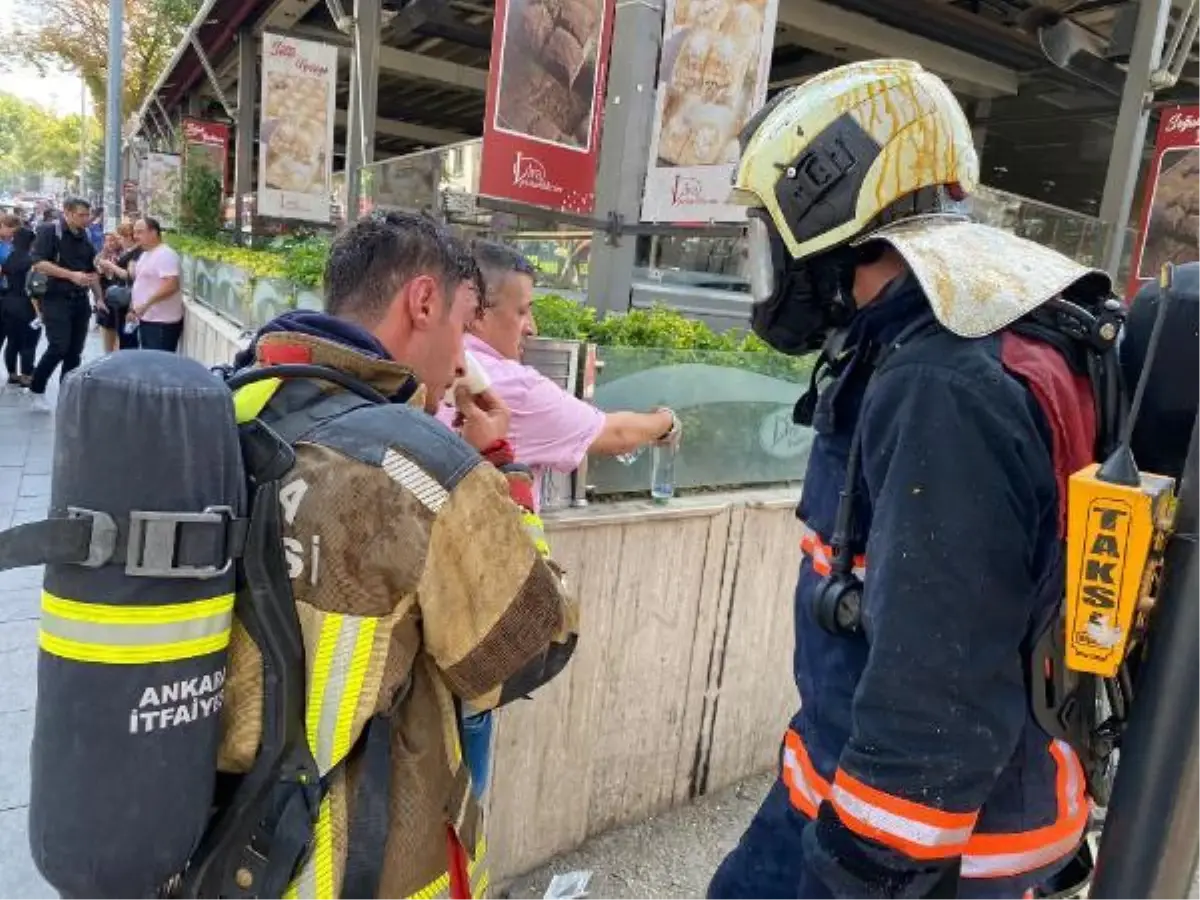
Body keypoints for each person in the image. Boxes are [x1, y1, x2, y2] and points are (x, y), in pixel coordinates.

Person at [707, 60, 1109, 900]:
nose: (768, 259)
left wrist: (870, 874)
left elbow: (938, 682)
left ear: (826, 199)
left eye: (768, 228)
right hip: (917, 801)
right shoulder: (984, 335)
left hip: (918, 844)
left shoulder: (943, 380)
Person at [219, 211, 578, 897]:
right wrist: (500, 467)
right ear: (422, 302)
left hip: (215, 852)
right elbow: (537, 642)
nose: (465, 351)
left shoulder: (237, 401)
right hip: (348, 865)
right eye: (466, 321)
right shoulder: (420, 469)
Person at [438, 239, 681, 512]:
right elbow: (617, 434)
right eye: (521, 311)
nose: (532, 327)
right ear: (478, 312)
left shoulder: (430, 362)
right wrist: (667, 422)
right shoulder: (516, 388)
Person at [29, 198, 98, 412]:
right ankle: (37, 389)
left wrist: (100, 298)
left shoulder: (84, 236)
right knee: (59, 346)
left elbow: (90, 270)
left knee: (74, 352)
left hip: (80, 300)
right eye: (81, 215)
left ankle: (67, 395)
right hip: (56, 299)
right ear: (67, 212)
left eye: (88, 215)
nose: (86, 219)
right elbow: (38, 262)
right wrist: (71, 276)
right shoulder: (50, 231)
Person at [126, 217, 184, 352]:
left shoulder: (165, 254)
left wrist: (146, 304)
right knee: (149, 364)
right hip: (146, 319)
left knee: (159, 367)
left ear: (153, 233)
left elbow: (171, 285)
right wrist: (132, 309)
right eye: (134, 233)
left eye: (140, 232)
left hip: (161, 323)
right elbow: (140, 284)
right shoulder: (145, 255)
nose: (136, 236)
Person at [0, 214, 39, 387]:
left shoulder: (8, 258)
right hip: (26, 304)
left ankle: (12, 373)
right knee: (29, 341)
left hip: (8, 302)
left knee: (12, 341)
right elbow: (33, 288)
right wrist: (39, 310)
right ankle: (26, 375)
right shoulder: (32, 261)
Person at [94, 223, 141, 351]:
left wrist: (110, 266)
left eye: (120, 237)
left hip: (128, 300)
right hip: (119, 299)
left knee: (127, 339)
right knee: (121, 335)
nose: (119, 241)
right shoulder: (126, 252)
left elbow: (129, 276)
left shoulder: (136, 253)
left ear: (129, 237)